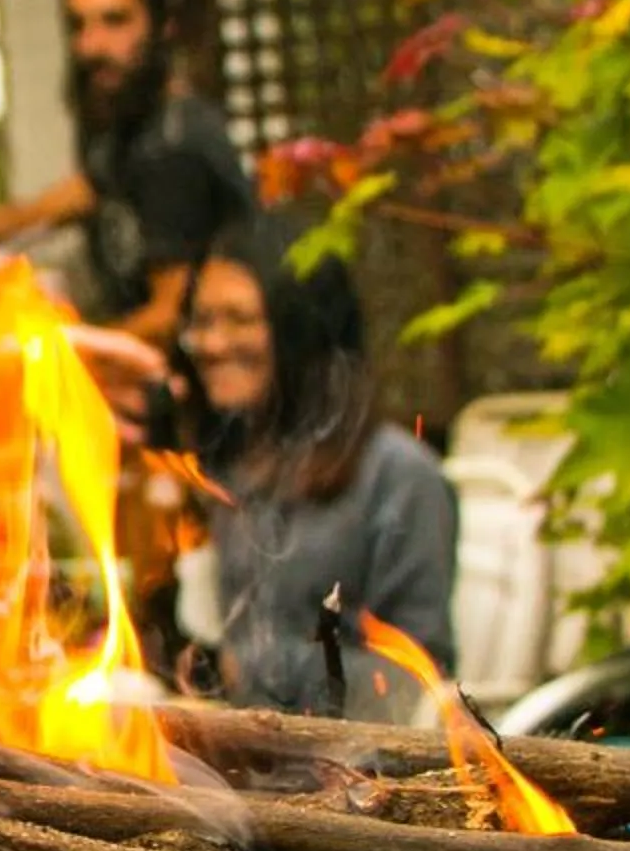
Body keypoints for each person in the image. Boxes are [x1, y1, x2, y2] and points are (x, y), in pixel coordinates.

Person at [176, 216, 457, 718]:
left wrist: (249, 669)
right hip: (247, 764)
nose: (212, 344)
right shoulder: (237, 467)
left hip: (357, 779)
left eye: (239, 320)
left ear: (297, 329)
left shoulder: (399, 476)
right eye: (201, 321)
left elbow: (413, 685)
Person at [0, 0, 254, 345]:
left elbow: (167, 319)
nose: (91, 46)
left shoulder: (173, 147)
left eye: (115, 21)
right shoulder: (128, 126)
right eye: (78, 25)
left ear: (163, 26)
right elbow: (50, 207)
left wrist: (49, 357)